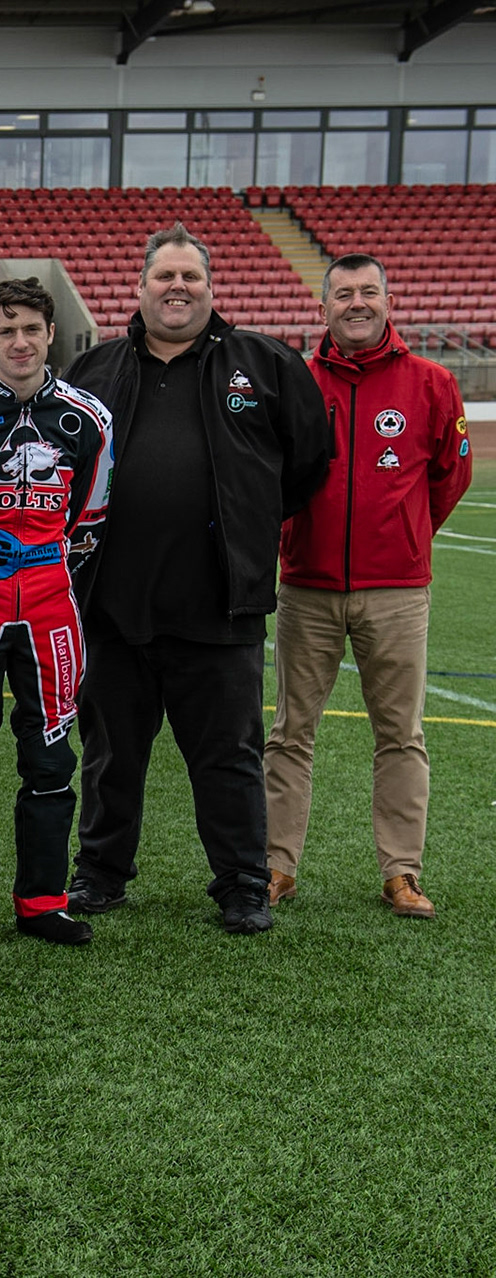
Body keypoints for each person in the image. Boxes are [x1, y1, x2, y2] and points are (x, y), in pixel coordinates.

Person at [64, 224, 330, 934]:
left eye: (190, 277)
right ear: (139, 287)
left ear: (212, 288)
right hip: (114, 605)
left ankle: (243, 882)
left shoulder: (265, 363)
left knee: (228, 756)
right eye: (163, 277)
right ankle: (101, 873)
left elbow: (308, 462)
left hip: (219, 607)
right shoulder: (96, 371)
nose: (177, 288)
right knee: (111, 752)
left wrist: (245, 523)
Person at [263, 253, 471, 918]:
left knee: (401, 733)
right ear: (322, 307)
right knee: (291, 730)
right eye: (344, 293)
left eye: (369, 291)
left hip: (397, 590)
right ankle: (273, 867)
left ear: (388, 300)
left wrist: (406, 535)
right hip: (307, 586)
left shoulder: (432, 382)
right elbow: (272, 475)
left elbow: (449, 476)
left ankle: (401, 873)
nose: (357, 303)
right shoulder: (295, 380)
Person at [0, 278, 113, 947]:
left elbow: (91, 522)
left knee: (50, 759)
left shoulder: (89, 418)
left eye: (31, 329)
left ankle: (43, 900)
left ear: (50, 336)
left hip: (48, 611)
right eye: (6, 330)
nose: (19, 342)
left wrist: (45, 578)